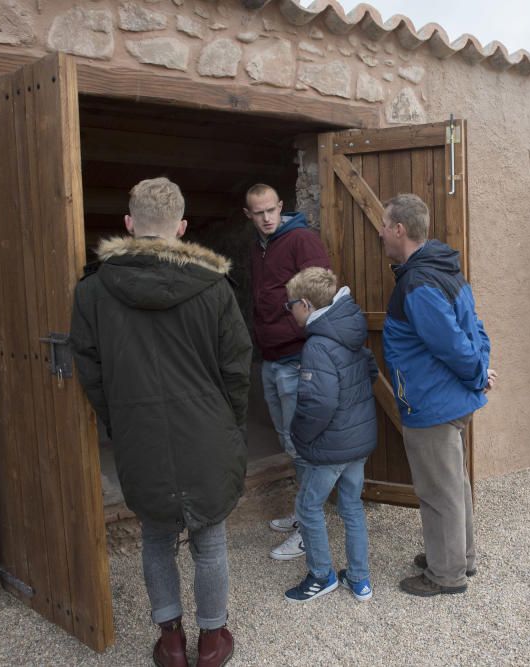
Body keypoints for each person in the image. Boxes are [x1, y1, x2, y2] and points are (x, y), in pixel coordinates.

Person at [71, 178, 252, 667]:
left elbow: (90, 370)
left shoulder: (93, 290)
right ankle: (212, 641)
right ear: (182, 227)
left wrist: (119, 422)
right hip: (207, 431)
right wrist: (230, 425)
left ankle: (171, 641)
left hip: (140, 432)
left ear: (129, 224)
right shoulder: (214, 287)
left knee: (155, 537)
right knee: (209, 540)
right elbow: (237, 367)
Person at [378, 193, 497, 597]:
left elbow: (451, 343)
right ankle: (460, 557)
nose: (381, 233)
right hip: (451, 397)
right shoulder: (445, 267)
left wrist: (477, 374)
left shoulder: (418, 283)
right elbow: (476, 328)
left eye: (384, 226)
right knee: (454, 484)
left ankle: (446, 574)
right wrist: (480, 371)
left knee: (438, 491)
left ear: (399, 230)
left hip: (433, 402)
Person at [244, 184, 331, 561]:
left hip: (296, 357)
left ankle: (310, 530)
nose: (266, 218)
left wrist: (302, 335)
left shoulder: (301, 240)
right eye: (258, 212)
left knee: (302, 443)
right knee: (288, 440)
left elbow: (323, 293)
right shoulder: (260, 247)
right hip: (271, 357)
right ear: (248, 215)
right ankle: (303, 512)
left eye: (271, 210)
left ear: (281, 207)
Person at [281, 267, 378, 603]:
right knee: (351, 506)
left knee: (308, 506)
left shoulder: (318, 345)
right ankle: (359, 579)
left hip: (331, 445)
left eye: (290, 305)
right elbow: (370, 371)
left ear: (306, 304)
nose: (289, 311)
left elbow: (319, 403)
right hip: (357, 441)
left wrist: (300, 435)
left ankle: (321, 575)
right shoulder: (348, 330)